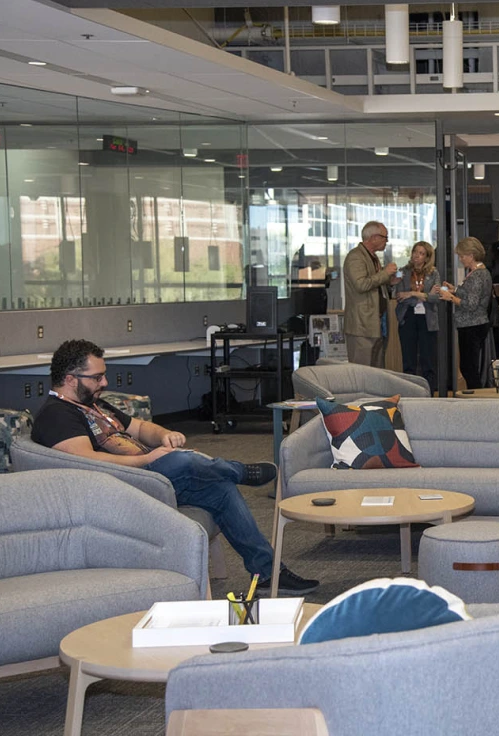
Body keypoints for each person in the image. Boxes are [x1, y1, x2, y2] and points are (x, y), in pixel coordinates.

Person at [30, 339, 319, 596]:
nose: (104, 383)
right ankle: (239, 470)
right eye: (97, 377)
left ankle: (268, 573)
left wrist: (163, 436)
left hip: (150, 477)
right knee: (183, 460)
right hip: (121, 488)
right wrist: (146, 460)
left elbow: (141, 427)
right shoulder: (57, 415)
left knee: (220, 488)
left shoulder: (94, 404)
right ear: (70, 379)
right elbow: (87, 462)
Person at [437, 237, 493, 389]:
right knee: (471, 366)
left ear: (471, 255)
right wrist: (455, 289)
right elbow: (471, 295)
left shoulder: (476, 276)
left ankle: (475, 400)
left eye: (462, 256)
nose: (460, 259)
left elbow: (471, 304)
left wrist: (451, 297)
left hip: (471, 325)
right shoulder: (481, 272)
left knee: (469, 368)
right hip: (476, 323)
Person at [343, 221, 397, 368]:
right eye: (385, 237)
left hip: (376, 324)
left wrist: (389, 281)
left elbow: (374, 284)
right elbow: (361, 284)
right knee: (362, 374)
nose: (387, 241)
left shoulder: (372, 257)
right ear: (373, 237)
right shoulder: (356, 257)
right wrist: (385, 273)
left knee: (376, 373)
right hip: (362, 326)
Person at [393, 240, 440, 394]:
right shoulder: (402, 271)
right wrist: (425, 295)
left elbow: (436, 298)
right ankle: (409, 394)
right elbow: (398, 295)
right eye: (415, 252)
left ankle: (430, 394)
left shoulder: (433, 273)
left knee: (428, 359)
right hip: (408, 316)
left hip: (427, 319)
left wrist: (413, 293)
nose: (416, 256)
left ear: (427, 257)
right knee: (409, 359)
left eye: (421, 253)